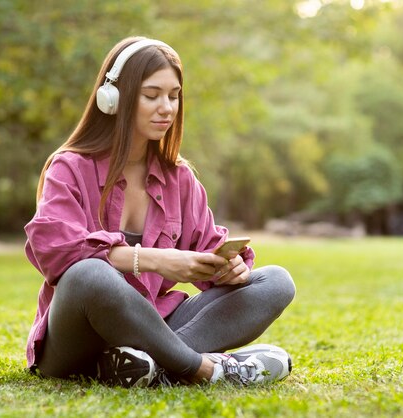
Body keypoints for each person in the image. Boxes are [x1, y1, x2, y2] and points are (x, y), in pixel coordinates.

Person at [23, 36, 296, 387]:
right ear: (114, 99)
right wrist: (154, 259)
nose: (166, 108)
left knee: (274, 282)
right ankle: (207, 369)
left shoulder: (179, 178)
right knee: (88, 274)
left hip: (156, 325)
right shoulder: (70, 167)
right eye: (151, 95)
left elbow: (209, 249)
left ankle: (140, 366)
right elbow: (56, 253)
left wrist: (231, 267)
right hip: (77, 339)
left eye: (173, 95)